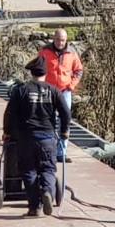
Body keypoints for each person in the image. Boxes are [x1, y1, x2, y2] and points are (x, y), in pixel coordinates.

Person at [3, 59, 71, 217]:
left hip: (26, 138)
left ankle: (34, 207)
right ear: (45, 73)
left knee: (29, 170)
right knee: (48, 168)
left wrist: (8, 132)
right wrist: (64, 131)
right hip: (47, 138)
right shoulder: (54, 91)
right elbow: (65, 113)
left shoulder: (20, 90)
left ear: (31, 73)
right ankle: (47, 191)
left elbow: (10, 113)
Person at [36, 28, 83, 161]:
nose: (60, 43)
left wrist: (72, 85)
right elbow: (38, 69)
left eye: (62, 40)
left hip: (64, 92)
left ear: (66, 40)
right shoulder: (45, 52)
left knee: (65, 121)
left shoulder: (71, 53)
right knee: (47, 120)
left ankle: (61, 153)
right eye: (57, 39)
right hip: (48, 91)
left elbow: (78, 70)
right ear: (53, 39)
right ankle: (47, 151)